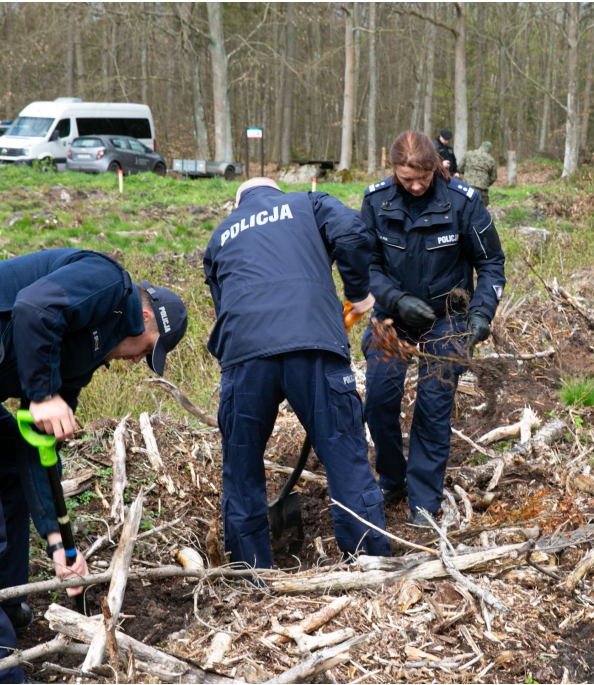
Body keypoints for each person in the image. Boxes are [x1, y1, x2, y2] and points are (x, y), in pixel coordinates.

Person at [0, 249, 188, 683]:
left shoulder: (85, 352)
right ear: (145, 317)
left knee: (8, 457)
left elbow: (37, 443)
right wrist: (44, 394)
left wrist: (59, 545)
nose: (139, 360)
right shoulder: (108, 281)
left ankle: (4, 605)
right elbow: (34, 306)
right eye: (149, 350)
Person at [203, 177, 390, 569]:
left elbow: (224, 307)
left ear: (237, 203)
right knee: (343, 453)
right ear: (275, 191)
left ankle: (250, 575)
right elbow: (353, 233)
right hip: (313, 342)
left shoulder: (220, 235)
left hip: (245, 355)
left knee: (241, 466)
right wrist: (357, 293)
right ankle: (368, 565)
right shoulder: (308, 202)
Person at [361, 131, 506, 527]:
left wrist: (481, 314)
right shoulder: (376, 202)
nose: (416, 185)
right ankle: (392, 477)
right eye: (407, 177)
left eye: (423, 176)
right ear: (393, 170)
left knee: (433, 405)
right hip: (392, 319)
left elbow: (492, 261)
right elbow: (365, 267)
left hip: (449, 318)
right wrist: (394, 299)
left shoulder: (463, 202)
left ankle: (423, 500)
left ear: (435, 166)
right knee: (378, 399)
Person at [458, 141, 498, 207]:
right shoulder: (491, 159)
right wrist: (485, 183)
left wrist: (465, 176)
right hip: (482, 188)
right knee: (480, 209)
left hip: (467, 185)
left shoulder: (469, 153)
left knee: (464, 207)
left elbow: (460, 168)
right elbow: (493, 177)